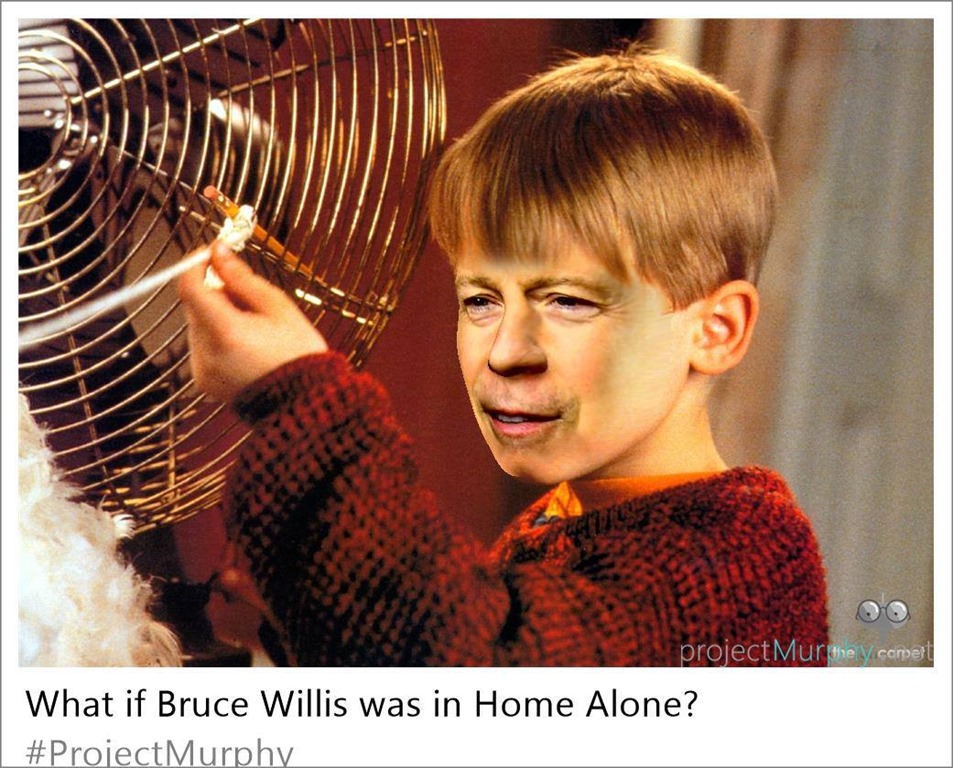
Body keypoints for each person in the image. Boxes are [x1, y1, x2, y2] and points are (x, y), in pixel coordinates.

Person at [178, 46, 828, 666]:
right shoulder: (562, 520)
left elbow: (478, 670)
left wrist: (298, 396)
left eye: (568, 302)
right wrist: (295, 629)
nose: (507, 353)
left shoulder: (747, 563)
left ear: (715, 330)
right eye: (481, 300)